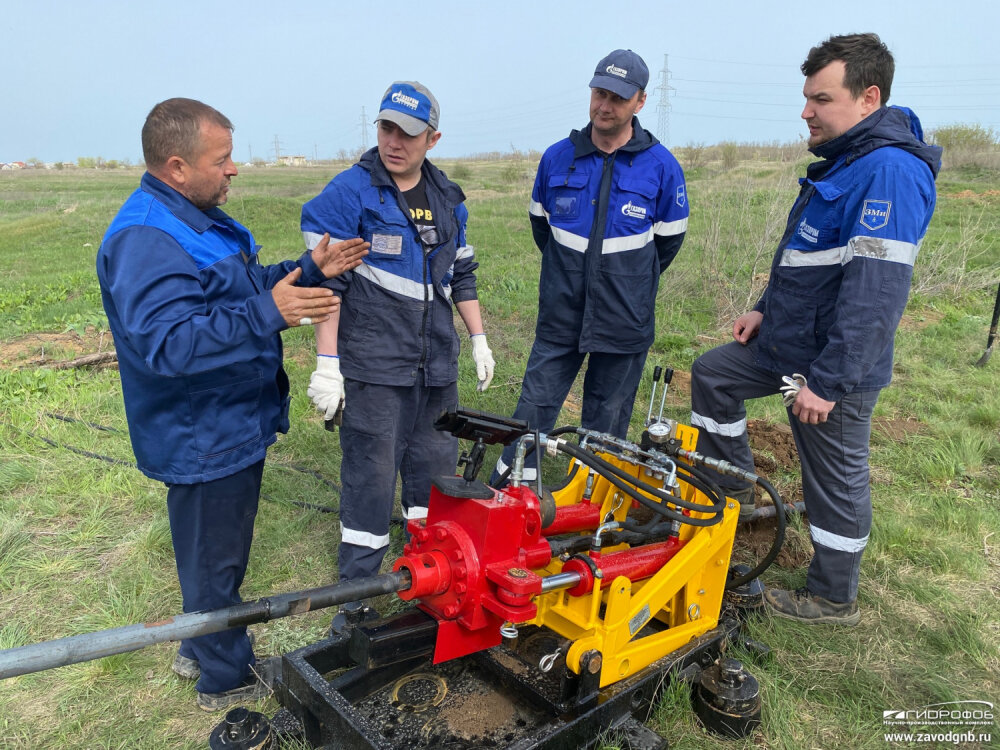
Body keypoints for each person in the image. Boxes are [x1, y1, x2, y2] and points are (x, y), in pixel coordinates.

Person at [96, 97, 368, 710]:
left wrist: (306, 268)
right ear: (176, 166)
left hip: (229, 422)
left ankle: (198, 646)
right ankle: (227, 680)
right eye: (222, 160)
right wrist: (272, 312)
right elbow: (169, 343)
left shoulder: (192, 218)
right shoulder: (146, 238)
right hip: (201, 434)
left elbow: (236, 290)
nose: (233, 170)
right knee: (215, 563)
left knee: (212, 555)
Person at [689, 34, 941, 625]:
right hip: (784, 342)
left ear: (868, 97)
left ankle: (833, 596)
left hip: (830, 366)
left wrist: (827, 385)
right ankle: (734, 494)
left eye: (820, 99)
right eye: (807, 98)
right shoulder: (848, 163)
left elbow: (874, 295)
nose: (806, 111)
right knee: (713, 375)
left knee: (832, 474)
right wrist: (762, 307)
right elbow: (807, 259)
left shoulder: (891, 173)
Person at [301, 81, 494, 632]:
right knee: (370, 472)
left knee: (433, 474)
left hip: (436, 364)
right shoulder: (349, 194)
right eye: (386, 129)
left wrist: (477, 338)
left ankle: (432, 576)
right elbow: (325, 285)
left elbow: (462, 274)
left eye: (408, 133)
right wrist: (328, 364)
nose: (394, 142)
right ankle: (357, 595)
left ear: (432, 138)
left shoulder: (448, 199)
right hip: (374, 363)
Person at [493, 49, 688, 483]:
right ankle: (512, 494)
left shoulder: (663, 168)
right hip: (561, 312)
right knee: (535, 406)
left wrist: (626, 281)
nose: (604, 105)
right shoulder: (556, 159)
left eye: (617, 98)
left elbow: (668, 244)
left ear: (639, 102)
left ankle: (589, 503)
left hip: (624, 319)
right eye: (599, 93)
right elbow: (542, 228)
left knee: (607, 418)